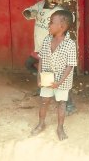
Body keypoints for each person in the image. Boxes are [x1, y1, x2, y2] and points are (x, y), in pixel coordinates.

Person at [22, 0, 76, 115]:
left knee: (58, 77)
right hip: (40, 48)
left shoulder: (58, 11)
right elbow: (28, 13)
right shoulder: (39, 6)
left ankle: (69, 104)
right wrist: (31, 12)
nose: (53, 0)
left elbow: (71, 18)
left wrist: (65, 12)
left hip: (53, 50)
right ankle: (44, 82)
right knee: (29, 64)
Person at [31, 10, 77, 140]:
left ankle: (60, 127)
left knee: (61, 103)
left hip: (63, 81)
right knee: (44, 101)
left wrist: (60, 82)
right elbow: (41, 59)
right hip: (47, 77)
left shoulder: (70, 44)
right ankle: (41, 123)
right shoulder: (47, 39)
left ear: (61, 27)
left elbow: (70, 65)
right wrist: (39, 77)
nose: (49, 25)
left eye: (51, 22)